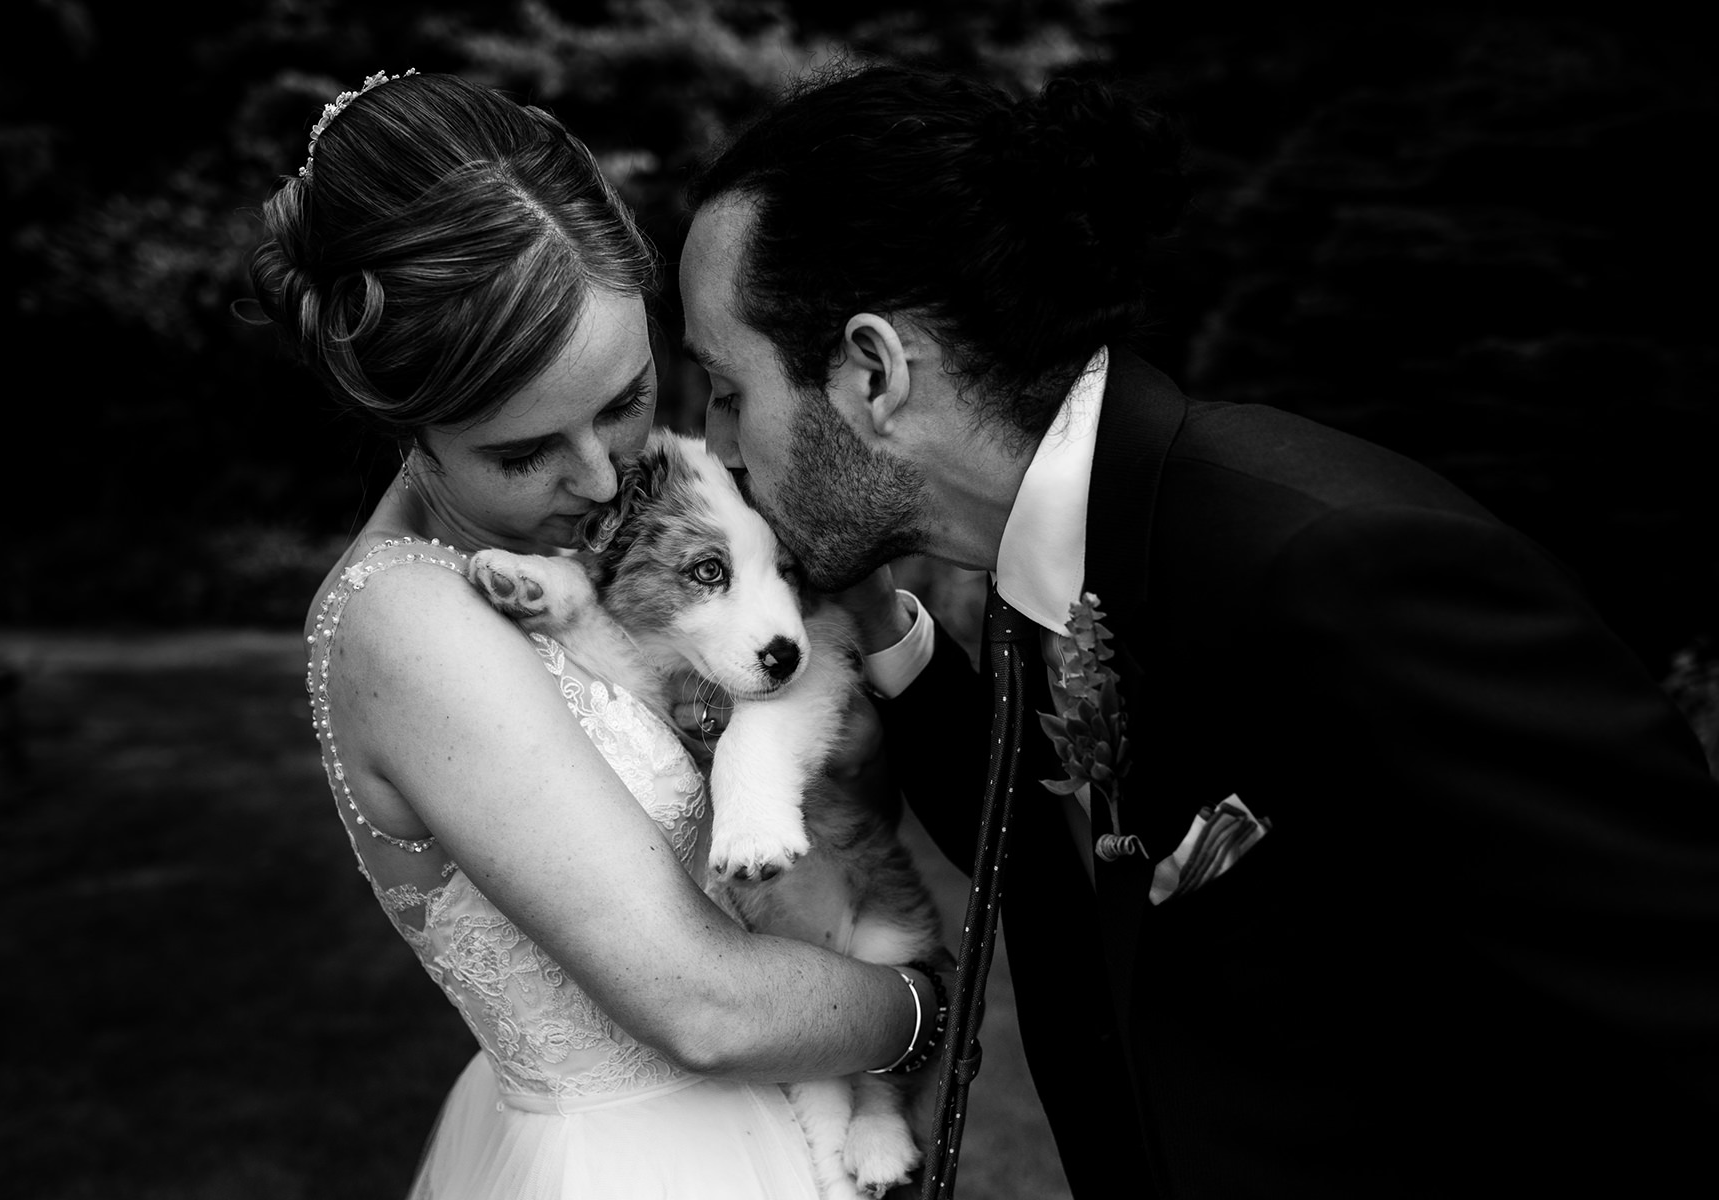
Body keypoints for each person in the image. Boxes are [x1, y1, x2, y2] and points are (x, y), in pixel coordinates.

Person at [680, 62, 1719, 1197]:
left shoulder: (1338, 569)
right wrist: (880, 625)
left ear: (874, 371)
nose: (720, 447)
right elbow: (1044, 852)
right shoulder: (1066, 554)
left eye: (729, 391)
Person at [250, 70, 944, 1200]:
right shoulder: (410, 624)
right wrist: (919, 1012)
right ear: (406, 426)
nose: (605, 472)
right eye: (524, 453)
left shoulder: (624, 525)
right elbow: (700, 1003)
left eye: (625, 399)